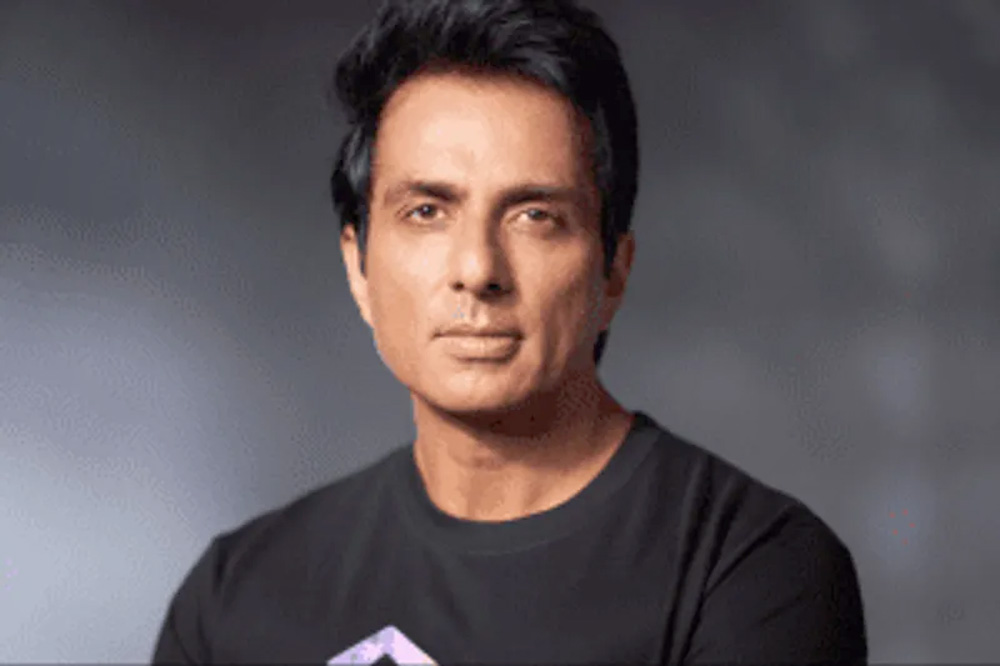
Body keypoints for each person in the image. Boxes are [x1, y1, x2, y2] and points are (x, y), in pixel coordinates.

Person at [152, 0, 868, 663]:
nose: (477, 270)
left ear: (613, 271)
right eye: (427, 212)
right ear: (358, 268)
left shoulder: (750, 569)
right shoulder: (236, 597)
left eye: (534, 216)